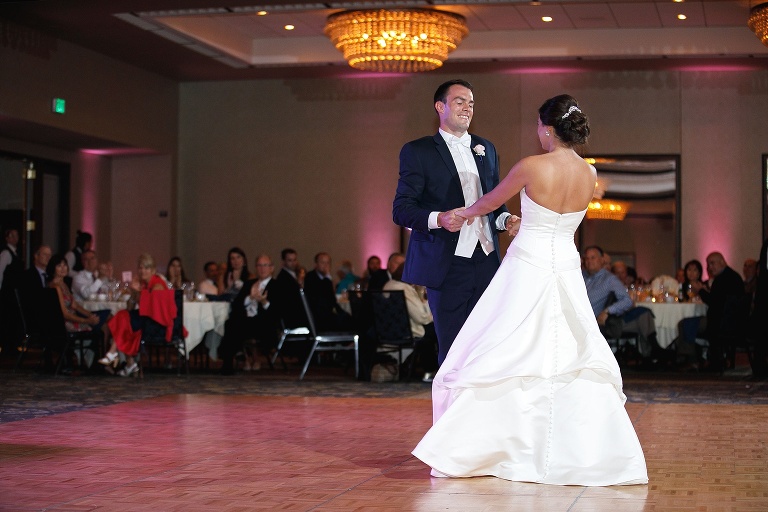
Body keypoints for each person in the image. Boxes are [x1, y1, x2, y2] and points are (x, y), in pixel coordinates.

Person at [412, 94, 647, 486]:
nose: (537, 133)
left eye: (539, 127)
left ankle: (495, 445)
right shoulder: (588, 174)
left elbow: (489, 202)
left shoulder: (532, 166)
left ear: (548, 129)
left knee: (505, 349)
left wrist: (461, 214)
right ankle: (579, 453)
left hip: (528, 265)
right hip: (566, 264)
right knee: (567, 353)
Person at [393, 79, 517, 365]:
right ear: (440, 107)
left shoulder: (487, 149)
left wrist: (506, 219)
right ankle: (451, 408)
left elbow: (492, 202)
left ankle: (481, 409)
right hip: (447, 264)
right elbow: (401, 210)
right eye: (460, 101)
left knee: (488, 345)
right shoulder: (419, 151)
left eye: (471, 103)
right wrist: (439, 219)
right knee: (453, 349)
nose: (467, 108)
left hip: (486, 262)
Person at [583, 245, 659, 361]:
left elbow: (627, 300)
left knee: (643, 314)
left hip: (591, 322)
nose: (589, 261)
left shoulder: (609, 279)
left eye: (593, 258)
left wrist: (607, 311)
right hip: (574, 318)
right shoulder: (581, 276)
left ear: (602, 260)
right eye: (587, 258)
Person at [99, 253, 171, 377]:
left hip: (156, 323)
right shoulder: (143, 284)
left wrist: (138, 293)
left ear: (153, 270)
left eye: (146, 268)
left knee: (122, 319)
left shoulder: (158, 284)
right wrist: (134, 294)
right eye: (140, 268)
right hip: (144, 319)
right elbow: (130, 307)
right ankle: (126, 361)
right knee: (123, 317)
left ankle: (117, 355)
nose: (143, 271)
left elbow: (152, 309)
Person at [220, 254, 280, 374]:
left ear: (271, 268)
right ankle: (229, 362)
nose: (262, 269)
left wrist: (264, 302)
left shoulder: (277, 286)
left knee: (236, 325)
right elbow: (236, 305)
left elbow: (277, 312)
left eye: (265, 265)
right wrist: (250, 298)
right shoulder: (249, 284)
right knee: (231, 323)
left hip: (265, 324)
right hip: (245, 321)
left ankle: (240, 356)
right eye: (259, 266)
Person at [382, 262, 438, 381]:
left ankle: (429, 368)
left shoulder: (388, 285)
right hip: (409, 331)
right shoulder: (404, 289)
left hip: (390, 331)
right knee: (439, 330)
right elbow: (421, 317)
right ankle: (431, 370)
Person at [691, 252, 746, 372]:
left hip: (722, 324)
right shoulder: (732, 276)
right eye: (708, 264)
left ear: (722, 262)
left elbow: (714, 302)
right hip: (733, 322)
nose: (709, 267)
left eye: (712, 263)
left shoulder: (722, 279)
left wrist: (700, 291)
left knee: (687, 324)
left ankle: (692, 360)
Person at [46, 254, 101, 367]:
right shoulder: (55, 287)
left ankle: (88, 362)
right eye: (59, 266)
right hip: (62, 324)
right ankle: (88, 363)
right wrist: (87, 321)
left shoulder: (64, 285)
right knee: (94, 329)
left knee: (98, 323)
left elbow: (75, 306)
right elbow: (65, 314)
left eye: (65, 265)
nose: (63, 268)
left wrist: (90, 315)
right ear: (53, 268)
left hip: (70, 319)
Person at [303, 252, 352, 331]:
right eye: (322, 262)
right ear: (316, 264)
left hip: (327, 314)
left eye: (328, 263)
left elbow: (332, 300)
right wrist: (328, 278)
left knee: (350, 318)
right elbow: (319, 298)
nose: (325, 265)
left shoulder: (327, 280)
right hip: (317, 317)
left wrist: (343, 313)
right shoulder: (310, 277)